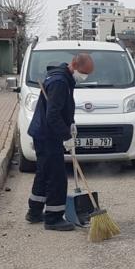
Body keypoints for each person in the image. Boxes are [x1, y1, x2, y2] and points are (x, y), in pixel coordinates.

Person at [26, 53, 95, 231]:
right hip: (48, 135)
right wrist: (66, 136)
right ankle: (53, 218)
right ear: (74, 65)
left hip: (44, 133)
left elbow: (61, 110)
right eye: (83, 72)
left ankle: (34, 212)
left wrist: (70, 125)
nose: (84, 77)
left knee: (44, 173)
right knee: (56, 177)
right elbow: (53, 116)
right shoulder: (60, 82)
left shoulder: (63, 78)